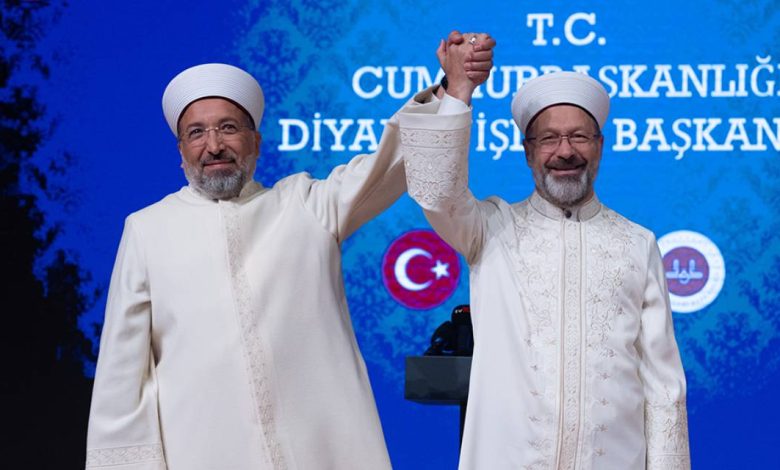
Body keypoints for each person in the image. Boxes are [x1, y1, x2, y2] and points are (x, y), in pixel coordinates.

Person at [85, 33, 494, 469]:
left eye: (228, 128)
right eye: (196, 133)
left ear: (256, 142)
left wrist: (451, 90)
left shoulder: (306, 206)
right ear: (181, 151)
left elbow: (387, 163)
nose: (214, 145)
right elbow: (122, 375)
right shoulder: (148, 229)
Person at [402, 67, 691, 469]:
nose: (565, 151)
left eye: (579, 137)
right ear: (527, 152)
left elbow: (663, 387)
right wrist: (459, 91)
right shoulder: (490, 229)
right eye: (549, 138)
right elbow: (437, 193)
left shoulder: (637, 244)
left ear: (600, 145)